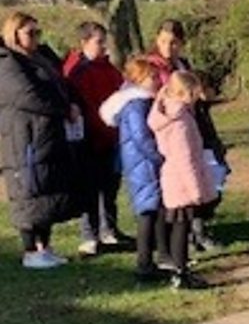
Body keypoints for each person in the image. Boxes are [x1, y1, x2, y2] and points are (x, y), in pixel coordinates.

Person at [0, 12, 79, 269]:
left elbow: (59, 85)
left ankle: (45, 246)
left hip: (47, 134)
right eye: (29, 33)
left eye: (38, 33)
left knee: (47, 190)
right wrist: (63, 109)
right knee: (28, 190)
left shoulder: (40, 59)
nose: (35, 38)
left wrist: (69, 104)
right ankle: (30, 249)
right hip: (24, 136)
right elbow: (27, 95)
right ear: (15, 34)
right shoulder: (8, 63)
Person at [147, 19, 227, 252]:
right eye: (163, 41)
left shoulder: (184, 65)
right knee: (184, 183)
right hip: (173, 132)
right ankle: (182, 240)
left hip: (196, 127)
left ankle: (200, 229)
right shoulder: (153, 67)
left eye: (174, 43)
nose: (168, 47)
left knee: (208, 175)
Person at [100, 57, 175, 283]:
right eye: (152, 77)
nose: (157, 81)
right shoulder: (135, 105)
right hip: (143, 165)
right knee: (148, 212)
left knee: (158, 209)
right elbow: (142, 137)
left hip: (144, 163)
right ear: (139, 80)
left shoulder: (143, 103)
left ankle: (162, 255)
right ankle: (144, 263)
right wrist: (160, 157)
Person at [148, 70, 219, 290]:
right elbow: (184, 157)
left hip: (175, 178)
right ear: (183, 93)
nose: (197, 97)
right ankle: (180, 272)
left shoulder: (170, 112)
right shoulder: (180, 122)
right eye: (193, 93)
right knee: (181, 227)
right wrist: (195, 189)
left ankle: (182, 270)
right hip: (182, 181)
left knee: (182, 226)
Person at [63, 21, 129, 256]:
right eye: (99, 42)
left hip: (112, 136)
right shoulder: (78, 71)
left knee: (110, 186)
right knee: (90, 188)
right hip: (90, 137)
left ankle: (108, 229)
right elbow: (84, 105)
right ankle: (89, 234)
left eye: (104, 41)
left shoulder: (108, 68)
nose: (104, 47)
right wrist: (102, 126)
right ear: (85, 43)